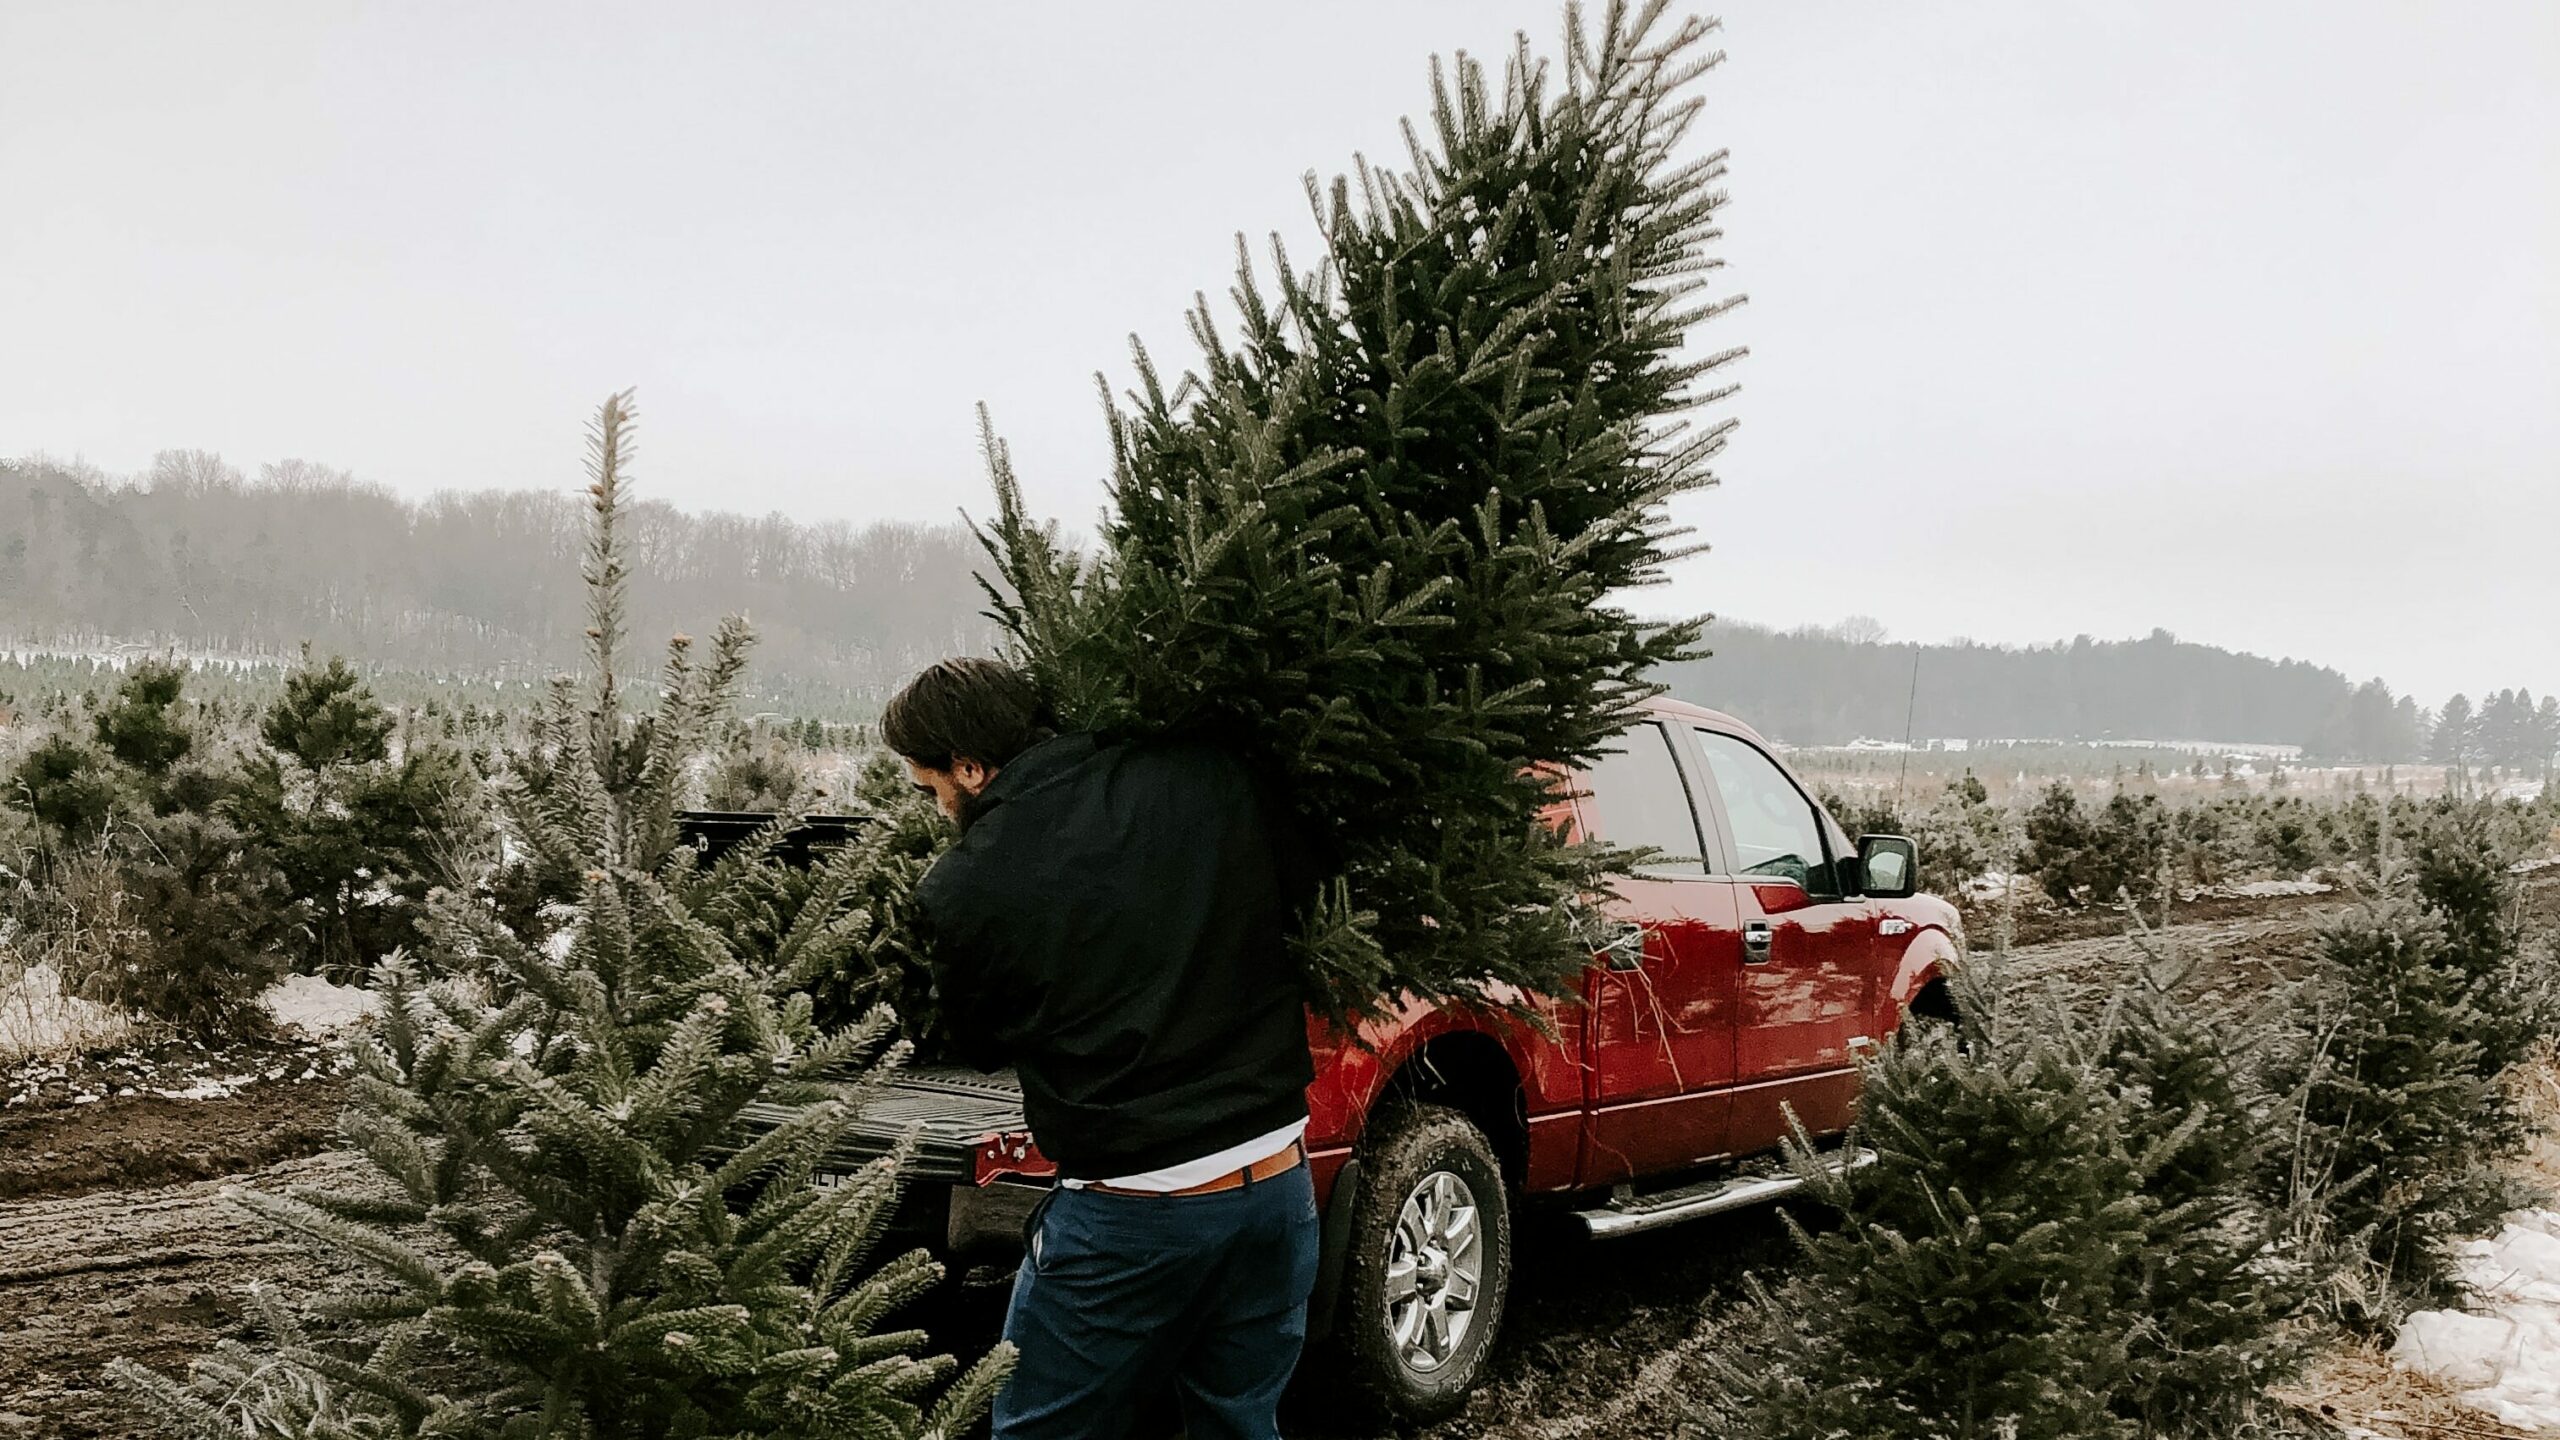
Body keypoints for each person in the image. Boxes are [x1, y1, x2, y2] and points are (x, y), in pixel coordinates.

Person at [881, 657, 1320, 1440]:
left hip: (1134, 1213)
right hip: (1278, 1185)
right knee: (1241, 1423)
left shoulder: (968, 886)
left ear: (971, 768)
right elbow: (1292, 901)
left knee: (1042, 1430)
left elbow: (978, 1044)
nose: (937, 805)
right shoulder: (1207, 773)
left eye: (931, 786)